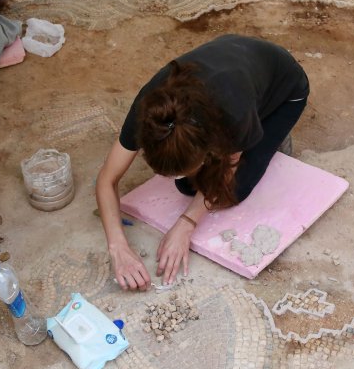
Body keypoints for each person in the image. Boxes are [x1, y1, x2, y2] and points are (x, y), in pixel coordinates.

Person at [96, 34, 309, 291]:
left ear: (208, 149)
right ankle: (257, 136)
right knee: (189, 187)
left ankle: (269, 134)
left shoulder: (232, 114)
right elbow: (107, 179)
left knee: (231, 192)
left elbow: (226, 171)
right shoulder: (151, 113)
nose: (170, 179)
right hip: (236, 66)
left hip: (284, 91)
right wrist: (118, 247)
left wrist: (187, 225)